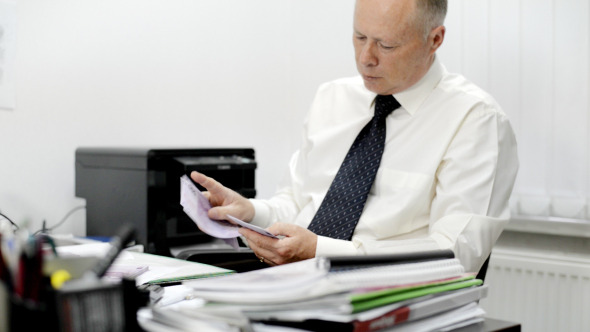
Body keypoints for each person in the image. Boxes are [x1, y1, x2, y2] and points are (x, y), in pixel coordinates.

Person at [191, 0, 518, 273]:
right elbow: (297, 202)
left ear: (435, 39)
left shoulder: (475, 121)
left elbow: (454, 256)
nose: (366, 58)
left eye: (387, 45)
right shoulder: (331, 98)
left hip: (387, 303)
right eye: (359, 37)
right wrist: (250, 212)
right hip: (291, 285)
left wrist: (320, 250)